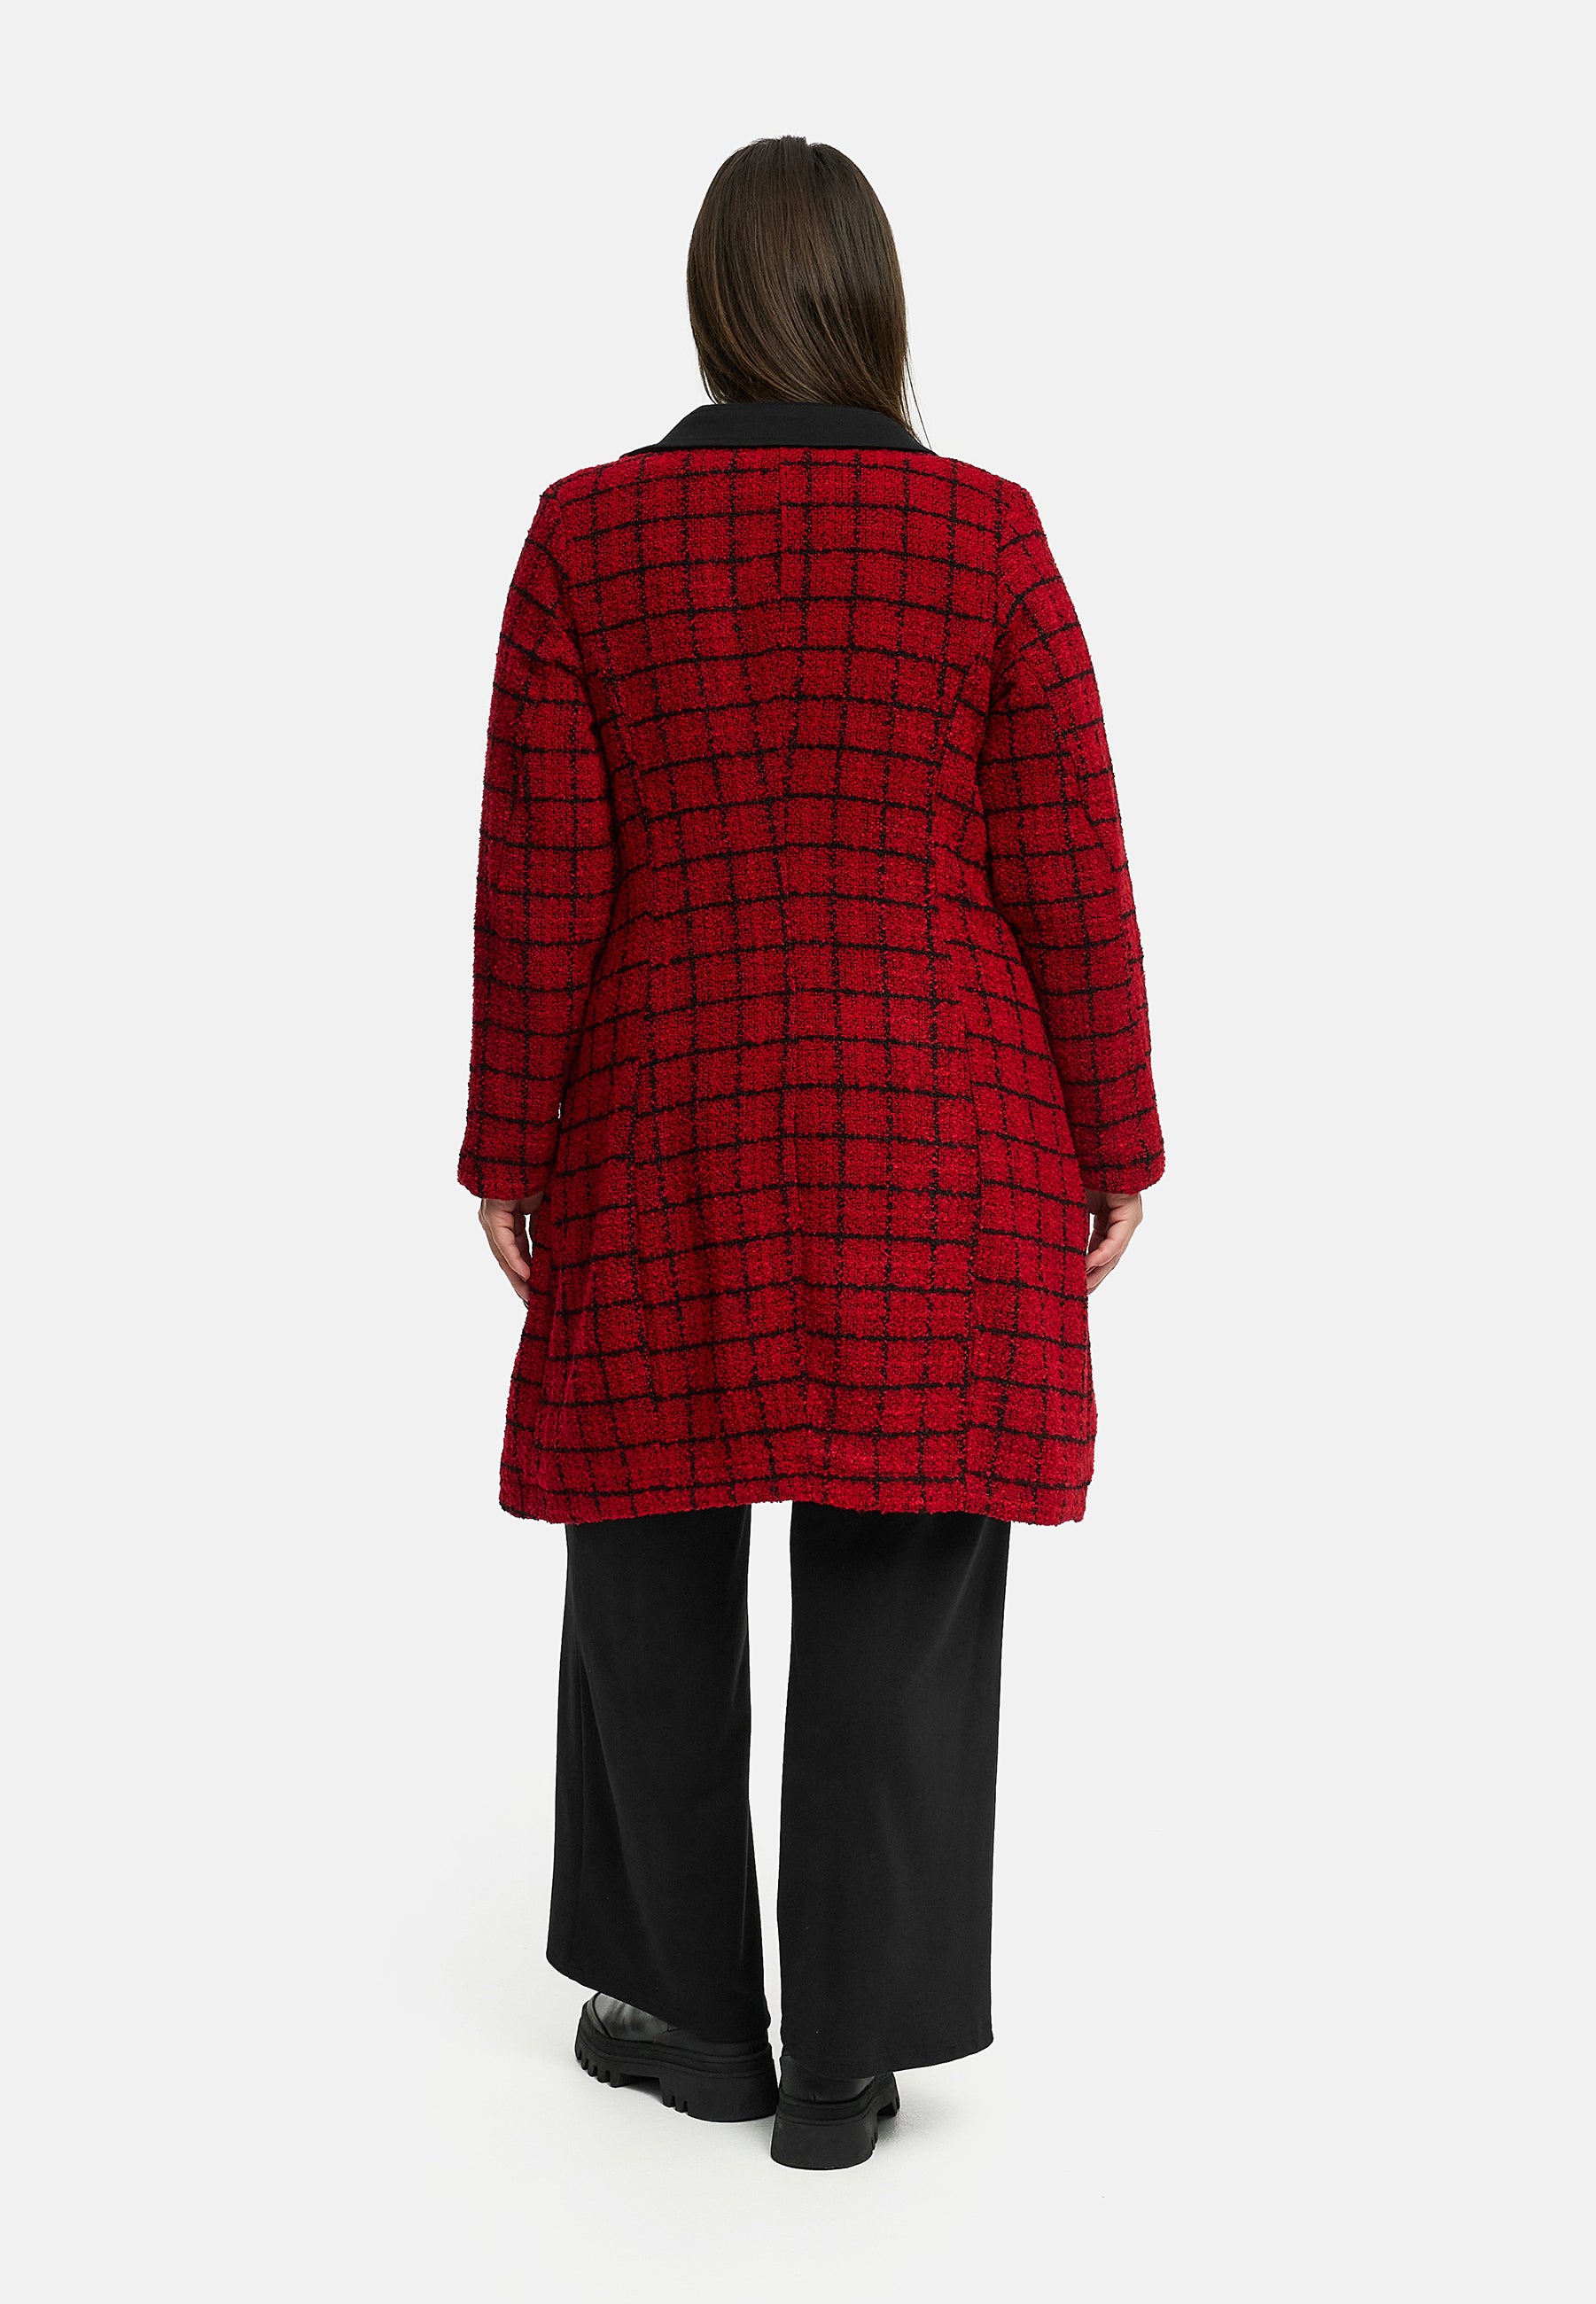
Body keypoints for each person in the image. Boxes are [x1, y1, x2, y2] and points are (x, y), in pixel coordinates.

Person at [458, 136, 1164, 2171]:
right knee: (905, 1550)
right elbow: (1068, 862)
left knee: (645, 1538)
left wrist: (512, 1141)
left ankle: (694, 2017)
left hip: (662, 1104)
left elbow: (541, 871)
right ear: (873, 306)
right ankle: (846, 2061)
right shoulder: (983, 532)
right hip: (941, 1112)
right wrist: (1112, 1129)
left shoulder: (588, 535)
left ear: (711, 307)